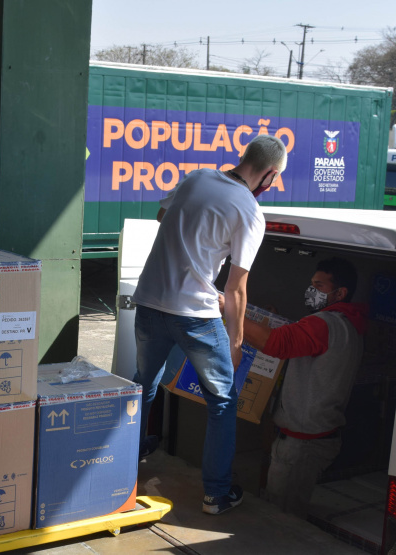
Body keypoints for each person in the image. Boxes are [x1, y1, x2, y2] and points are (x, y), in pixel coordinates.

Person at [131, 134, 287, 515]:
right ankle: (216, 494)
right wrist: (235, 343)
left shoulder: (198, 176)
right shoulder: (249, 211)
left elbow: (162, 218)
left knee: (144, 384)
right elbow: (236, 289)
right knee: (222, 400)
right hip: (195, 315)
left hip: (149, 300)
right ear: (269, 174)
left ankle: (125, 463)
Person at [243, 256, 367, 519]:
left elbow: (276, 344)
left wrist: (228, 310)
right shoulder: (346, 324)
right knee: (287, 507)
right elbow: (295, 339)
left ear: (340, 293)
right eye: (312, 284)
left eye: (319, 286)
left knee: (282, 518)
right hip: (313, 438)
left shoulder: (324, 324)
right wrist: (269, 321)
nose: (311, 290)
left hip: (302, 445)